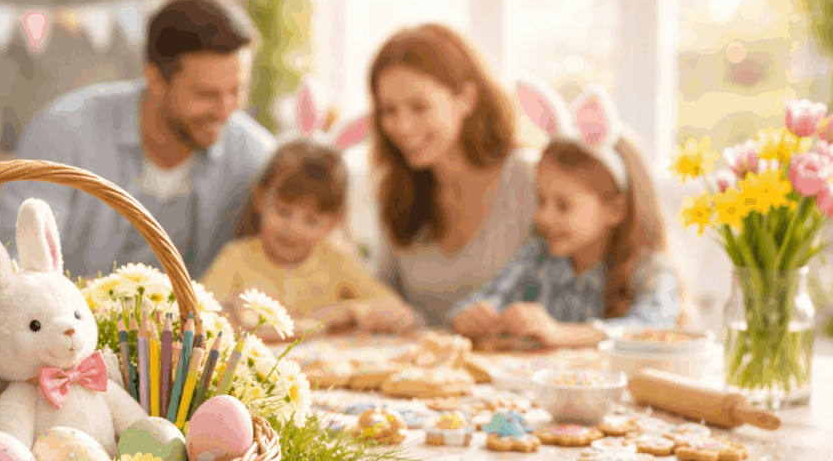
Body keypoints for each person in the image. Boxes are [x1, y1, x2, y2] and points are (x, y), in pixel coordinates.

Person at [0, 0, 275, 280]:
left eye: (237, 90)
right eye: (205, 94)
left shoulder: (255, 158)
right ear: (154, 80)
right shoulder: (63, 133)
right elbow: (21, 268)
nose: (227, 110)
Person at [447, 77, 682, 348]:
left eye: (563, 205)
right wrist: (471, 317)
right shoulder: (536, 258)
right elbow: (483, 300)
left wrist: (560, 333)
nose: (544, 216)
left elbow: (650, 327)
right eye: (541, 200)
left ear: (615, 209)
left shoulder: (649, 269)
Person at [364, 24, 539, 328]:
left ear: (466, 98)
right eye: (388, 111)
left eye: (419, 107)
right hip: (428, 369)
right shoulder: (393, 190)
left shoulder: (529, 178)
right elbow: (387, 299)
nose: (402, 126)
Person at [200, 138, 419, 342]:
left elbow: (404, 315)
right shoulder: (236, 258)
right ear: (260, 198)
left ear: (334, 222)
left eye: (312, 220)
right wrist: (231, 311)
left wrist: (350, 312)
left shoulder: (337, 262)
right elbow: (197, 311)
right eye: (283, 211)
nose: (294, 228)